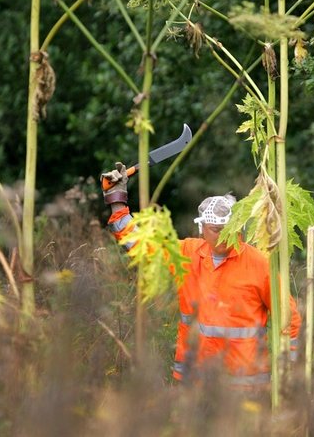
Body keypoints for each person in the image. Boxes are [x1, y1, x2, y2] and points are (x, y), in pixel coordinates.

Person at [101, 163, 301, 388]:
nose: (224, 236)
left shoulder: (259, 264)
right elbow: (138, 242)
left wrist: (290, 371)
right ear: (202, 228)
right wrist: (116, 198)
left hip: (245, 390)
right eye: (216, 229)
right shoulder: (186, 254)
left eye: (229, 228)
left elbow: (289, 318)